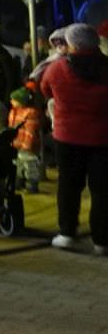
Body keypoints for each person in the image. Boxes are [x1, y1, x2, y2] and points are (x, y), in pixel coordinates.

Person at [38, 24, 108, 254]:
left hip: (67, 137)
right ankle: (102, 241)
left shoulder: (58, 69)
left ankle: (67, 233)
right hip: (102, 139)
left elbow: (44, 88)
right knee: (102, 191)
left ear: (73, 44)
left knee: (69, 186)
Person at [8, 87, 44, 194]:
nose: (11, 101)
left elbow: (30, 131)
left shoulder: (30, 113)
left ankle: (31, 184)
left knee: (30, 164)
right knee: (18, 164)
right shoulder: (13, 111)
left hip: (27, 146)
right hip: (16, 144)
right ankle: (19, 181)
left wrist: (27, 144)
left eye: (14, 100)